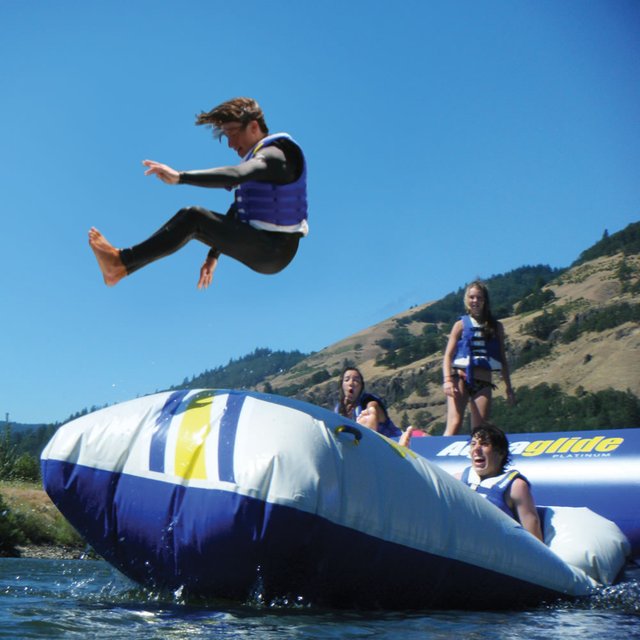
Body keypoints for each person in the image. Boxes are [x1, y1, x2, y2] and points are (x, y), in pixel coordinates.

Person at [89, 97, 308, 289]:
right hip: (266, 249)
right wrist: (213, 256)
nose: (230, 143)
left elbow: (235, 174)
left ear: (253, 127)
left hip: (274, 248)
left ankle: (120, 262)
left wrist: (180, 177)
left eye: (232, 133)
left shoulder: (277, 155)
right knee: (194, 221)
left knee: (193, 217)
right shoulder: (258, 162)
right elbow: (236, 211)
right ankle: (118, 269)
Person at [442, 281, 515, 436]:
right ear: (467, 300)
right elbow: (448, 356)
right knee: (454, 424)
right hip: (460, 379)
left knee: (480, 429)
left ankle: (475, 458)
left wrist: (508, 388)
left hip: (483, 381)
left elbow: (502, 358)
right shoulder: (460, 325)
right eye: (471, 297)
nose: (475, 301)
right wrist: (447, 380)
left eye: (479, 298)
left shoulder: (496, 327)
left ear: (485, 300)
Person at [458, 423, 543, 541]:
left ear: (500, 452)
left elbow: (534, 536)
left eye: (484, 444)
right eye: (473, 444)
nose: (476, 449)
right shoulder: (457, 480)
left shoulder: (515, 486)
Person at [335, 366, 402, 438]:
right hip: (355, 442)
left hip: (395, 437)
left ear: (361, 387)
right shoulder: (339, 408)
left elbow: (373, 405)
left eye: (356, 380)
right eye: (347, 380)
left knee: (414, 433)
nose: (351, 383)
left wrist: (371, 412)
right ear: (342, 385)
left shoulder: (367, 400)